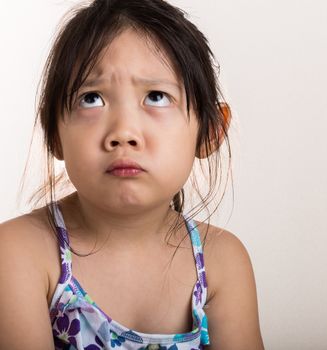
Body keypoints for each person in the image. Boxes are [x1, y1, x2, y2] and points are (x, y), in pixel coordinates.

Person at [0, 0, 264, 349]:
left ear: (210, 132)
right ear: (53, 134)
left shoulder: (222, 262)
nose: (124, 132)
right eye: (91, 99)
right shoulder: (21, 254)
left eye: (156, 96)